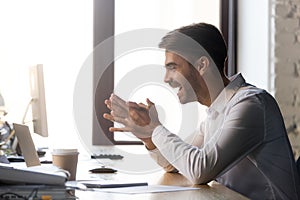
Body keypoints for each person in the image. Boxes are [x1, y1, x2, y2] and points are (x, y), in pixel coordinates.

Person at [103, 23, 300, 199]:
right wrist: (148, 137)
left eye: (173, 67)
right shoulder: (216, 112)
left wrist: (155, 128)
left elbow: (200, 170)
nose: (166, 78)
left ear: (202, 65)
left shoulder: (251, 104)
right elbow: (174, 165)